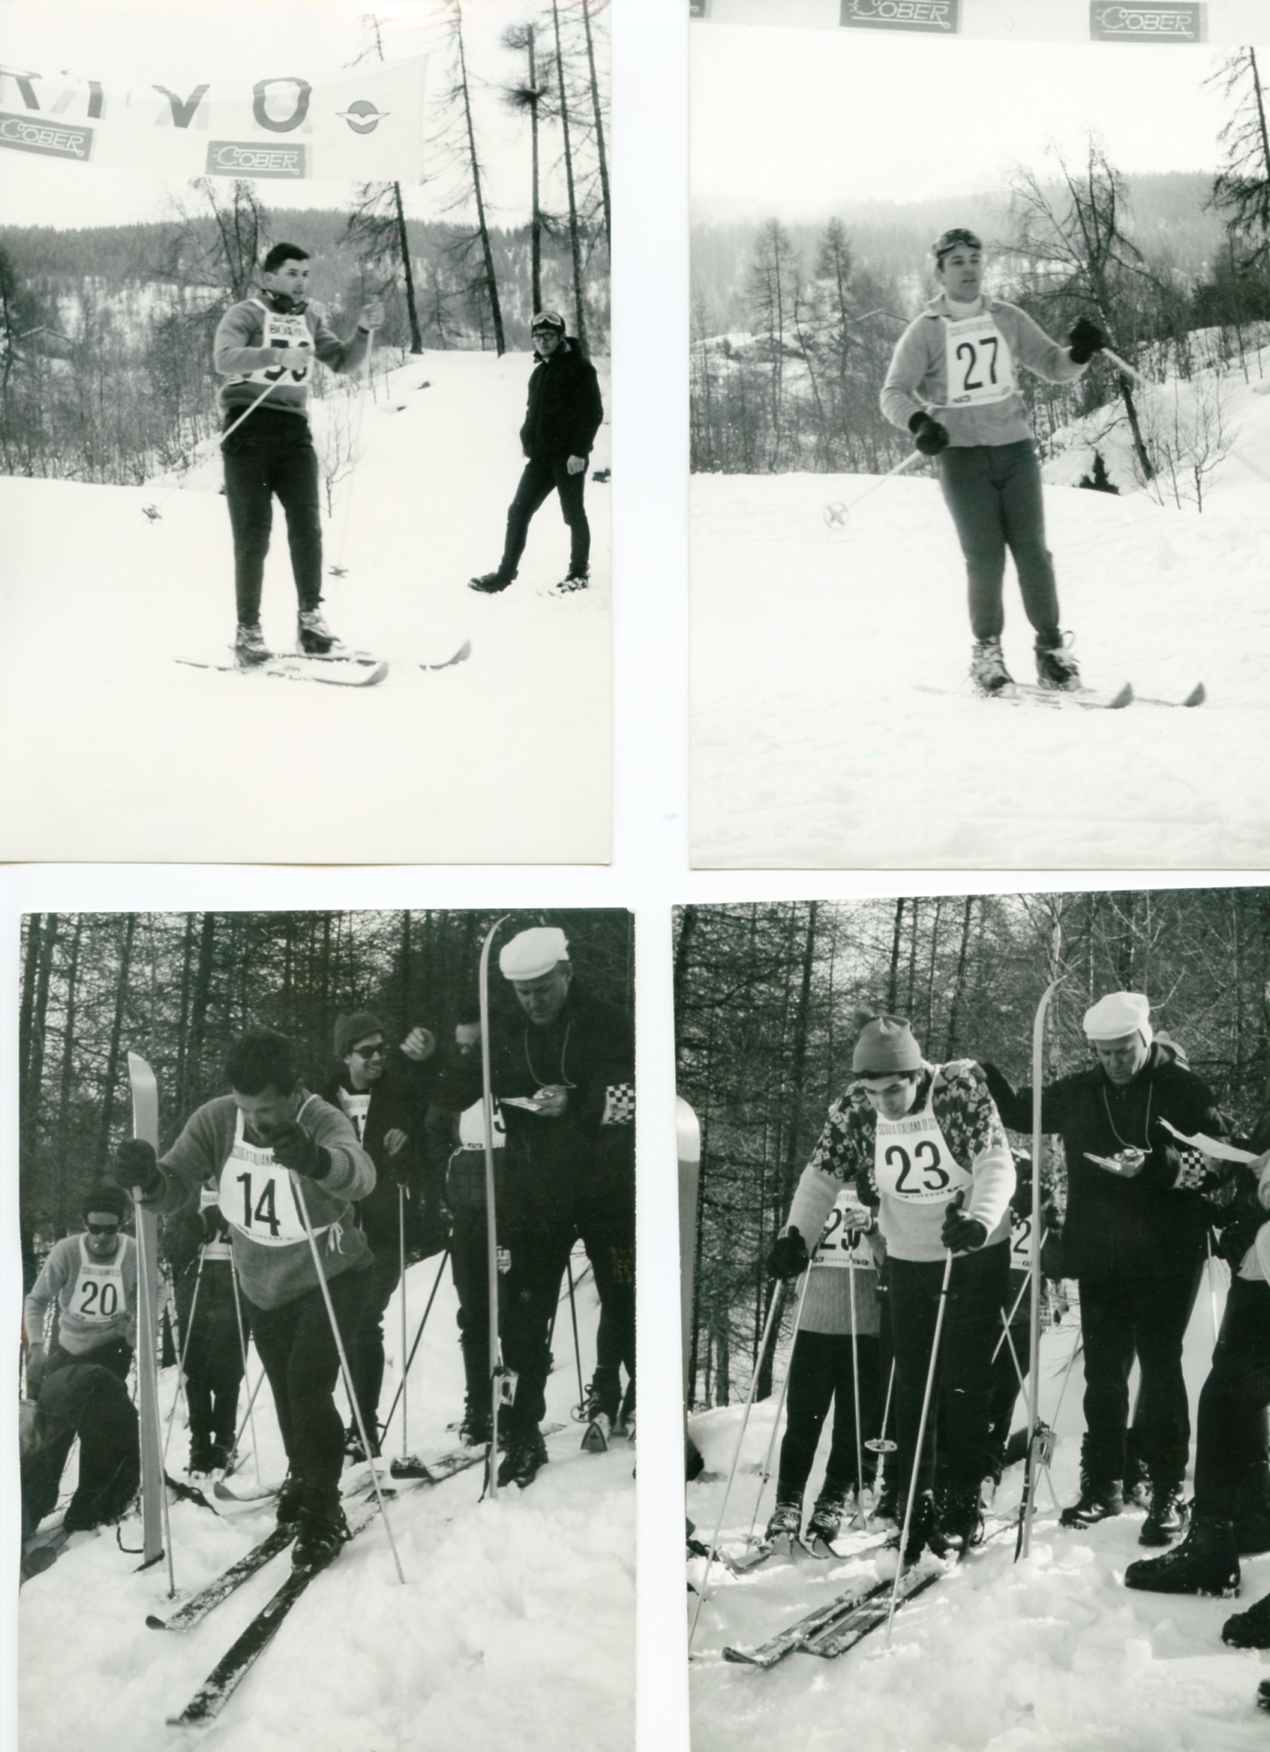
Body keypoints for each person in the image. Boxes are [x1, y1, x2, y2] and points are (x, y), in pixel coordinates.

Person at [115, 1028, 375, 1570]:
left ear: (292, 1091)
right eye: (246, 1108)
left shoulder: (322, 1116)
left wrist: (317, 1160)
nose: (256, 1120)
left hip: (331, 1275)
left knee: (308, 1386)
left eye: (267, 1109)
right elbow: (177, 1184)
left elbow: (362, 1176)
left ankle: (326, 1511)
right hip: (262, 1279)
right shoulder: (216, 1119)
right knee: (283, 1389)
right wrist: (148, 1180)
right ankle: (303, 1476)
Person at [982, 991, 1233, 1544]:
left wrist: (1158, 1166)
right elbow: (1027, 1112)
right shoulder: (1083, 1088)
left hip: (1168, 1253)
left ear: (1146, 1038)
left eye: (1125, 1050)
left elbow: (1222, 1159)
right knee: (1102, 1374)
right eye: (1105, 1053)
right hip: (1101, 1252)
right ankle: (1103, 1483)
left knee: (1162, 1368)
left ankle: (1168, 1489)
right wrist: (988, 1081)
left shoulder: (1184, 1090)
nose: (1116, 1063)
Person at [789, 1015, 1015, 1558]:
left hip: (973, 1248)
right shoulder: (853, 1108)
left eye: (895, 1090)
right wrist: (795, 1236)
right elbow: (821, 1176)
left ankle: (962, 1504)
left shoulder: (959, 1090)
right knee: (912, 1385)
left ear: (918, 1073)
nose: (884, 1104)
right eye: (873, 1092)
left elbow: (996, 1161)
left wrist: (981, 1219)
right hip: (910, 1252)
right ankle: (917, 1503)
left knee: (963, 1381)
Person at [880, 227, 1107, 695]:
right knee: (984, 558)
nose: (967, 269)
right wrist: (920, 423)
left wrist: (1080, 354)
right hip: (961, 456)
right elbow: (893, 392)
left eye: (974, 260)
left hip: (1014, 448)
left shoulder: (1007, 317)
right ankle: (987, 656)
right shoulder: (925, 329)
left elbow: (1052, 363)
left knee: (1033, 552)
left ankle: (1051, 654)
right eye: (957, 262)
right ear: (940, 272)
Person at [446, 926, 635, 1487]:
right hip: (535, 1194)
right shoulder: (505, 1031)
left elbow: (636, 1094)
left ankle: (639, 1398)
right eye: (523, 993)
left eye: (543, 989)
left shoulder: (606, 1021)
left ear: (566, 974)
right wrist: (436, 1061)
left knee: (627, 1295)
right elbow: (458, 1090)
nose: (533, 1002)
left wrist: (577, 1102)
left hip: (606, 1189)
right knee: (524, 1313)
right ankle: (522, 1431)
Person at [213, 243, 383, 667]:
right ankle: (248, 631)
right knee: (254, 534)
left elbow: (342, 362)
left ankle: (311, 621)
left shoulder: (309, 317)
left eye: (306, 274)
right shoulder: (245, 313)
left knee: (306, 527)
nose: (301, 281)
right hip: (247, 428)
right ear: (269, 278)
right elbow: (224, 358)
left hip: (293, 430)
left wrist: (362, 331)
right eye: (291, 273)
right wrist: (277, 354)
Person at [320, 1012, 441, 1459]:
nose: (376, 1058)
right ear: (346, 1055)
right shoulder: (321, 1099)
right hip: (334, 1231)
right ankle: (334, 1427)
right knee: (333, 1327)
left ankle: (364, 1426)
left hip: (386, 1228)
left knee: (364, 1320)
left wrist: (407, 1148)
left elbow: (427, 1158)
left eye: (381, 1049)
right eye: (366, 1051)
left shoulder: (401, 1092)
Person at [765, 1185, 886, 1549]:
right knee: (803, 1419)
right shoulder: (817, 1189)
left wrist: (872, 1229)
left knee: (852, 1423)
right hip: (814, 1323)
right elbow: (790, 1242)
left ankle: (831, 1501)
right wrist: (790, 1246)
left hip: (865, 1328)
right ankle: (787, 1503)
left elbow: (894, 1258)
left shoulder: (882, 1189)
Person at [469, 312, 604, 596]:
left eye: (548, 336)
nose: (542, 342)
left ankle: (578, 573)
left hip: (569, 459)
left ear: (560, 337)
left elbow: (593, 413)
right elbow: (534, 412)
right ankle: (504, 575)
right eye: (537, 337)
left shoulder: (580, 368)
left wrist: (579, 452)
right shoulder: (539, 372)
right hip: (541, 459)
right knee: (517, 512)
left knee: (572, 514)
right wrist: (527, 439)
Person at [162, 1186, 248, 1476]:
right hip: (194, 1302)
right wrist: (197, 1225)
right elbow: (172, 1252)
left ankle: (224, 1441)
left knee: (229, 1373)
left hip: (232, 1298)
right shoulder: (186, 1197)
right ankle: (199, 1441)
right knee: (194, 1373)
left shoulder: (242, 1189)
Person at [23, 1183, 139, 1394]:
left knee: (99, 1418)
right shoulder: (66, 1251)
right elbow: (37, 1300)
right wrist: (37, 1346)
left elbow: (158, 1290)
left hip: (114, 1346)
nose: (102, 1237)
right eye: (95, 1229)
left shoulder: (133, 1251)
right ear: (85, 1224)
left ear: (120, 1226)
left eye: (110, 1230)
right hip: (70, 1345)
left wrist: (139, 1320)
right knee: (56, 1410)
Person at [21, 1363, 140, 1550]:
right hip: (74, 1383)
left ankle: (87, 1519)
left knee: (108, 1457)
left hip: (85, 1387)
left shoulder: (33, 1436)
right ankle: (87, 1515)